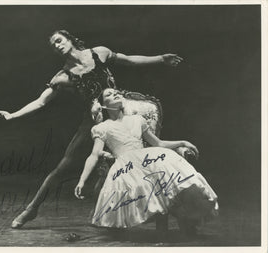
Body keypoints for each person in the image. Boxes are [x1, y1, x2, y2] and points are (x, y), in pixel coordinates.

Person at [0, 30, 184, 229]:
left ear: (70, 39)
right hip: (93, 123)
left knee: (148, 162)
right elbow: (41, 102)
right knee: (63, 168)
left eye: (59, 40)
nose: (57, 45)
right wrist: (12, 115)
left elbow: (129, 60)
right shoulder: (63, 76)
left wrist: (161, 58)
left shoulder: (99, 53)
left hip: (121, 118)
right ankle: (31, 209)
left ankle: (174, 212)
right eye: (53, 45)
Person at [74, 88, 219, 240]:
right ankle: (161, 229)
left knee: (166, 170)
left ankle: (185, 220)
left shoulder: (137, 120)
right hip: (126, 164)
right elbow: (94, 155)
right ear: (104, 105)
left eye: (116, 92)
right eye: (109, 95)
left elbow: (159, 143)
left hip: (147, 157)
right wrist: (82, 180)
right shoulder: (102, 128)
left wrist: (182, 142)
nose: (115, 94)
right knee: (145, 181)